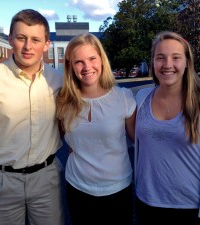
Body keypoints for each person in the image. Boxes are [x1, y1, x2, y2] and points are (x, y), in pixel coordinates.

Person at [0, 9, 64, 225]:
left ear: (46, 44)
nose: (28, 46)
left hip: (46, 181)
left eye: (35, 39)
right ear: (11, 39)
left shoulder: (58, 80)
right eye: (21, 38)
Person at [134, 31, 200, 225]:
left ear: (187, 62)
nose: (167, 64)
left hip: (192, 211)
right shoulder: (141, 99)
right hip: (147, 205)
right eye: (160, 58)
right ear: (153, 63)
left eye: (176, 58)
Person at [56, 33, 136, 225]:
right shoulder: (63, 101)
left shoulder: (123, 98)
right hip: (78, 189)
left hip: (117, 190)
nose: (86, 67)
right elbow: (60, 138)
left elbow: (140, 141)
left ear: (101, 60)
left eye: (92, 58)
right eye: (78, 62)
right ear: (70, 66)